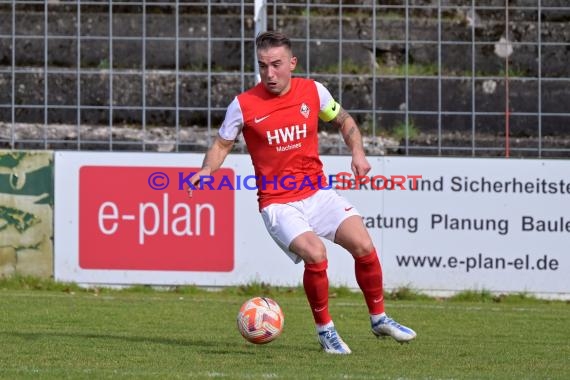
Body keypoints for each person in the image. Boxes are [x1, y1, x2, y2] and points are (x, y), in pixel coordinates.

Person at [188, 30, 416, 354]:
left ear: (292, 62)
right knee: (316, 254)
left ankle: (379, 318)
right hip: (278, 203)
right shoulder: (243, 105)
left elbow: (344, 120)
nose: (269, 73)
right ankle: (326, 332)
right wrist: (208, 170)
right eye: (263, 65)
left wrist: (358, 152)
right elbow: (222, 144)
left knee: (364, 244)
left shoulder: (313, 92)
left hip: (318, 193)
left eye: (276, 64)